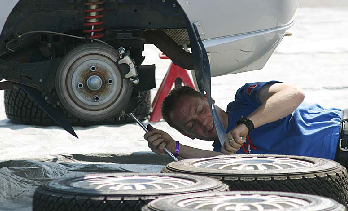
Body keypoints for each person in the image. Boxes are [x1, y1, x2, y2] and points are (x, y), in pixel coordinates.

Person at [144, 81, 348, 167]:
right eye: (190, 125)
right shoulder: (222, 158)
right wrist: (175, 148)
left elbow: (294, 95)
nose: (203, 121)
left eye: (201, 110)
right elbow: (222, 163)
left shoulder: (245, 98)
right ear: (189, 136)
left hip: (341, 132)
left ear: (210, 99)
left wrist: (247, 124)